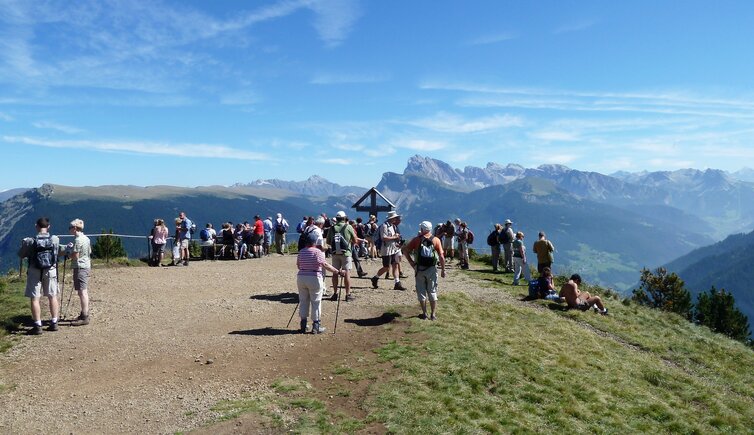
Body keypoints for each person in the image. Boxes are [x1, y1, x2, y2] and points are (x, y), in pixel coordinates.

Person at [297, 230, 347, 334]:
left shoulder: (301, 252)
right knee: (316, 301)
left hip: (301, 277)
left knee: (303, 301)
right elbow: (325, 265)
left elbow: (298, 265)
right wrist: (338, 272)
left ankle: (303, 324)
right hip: (314, 277)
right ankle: (316, 326)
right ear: (315, 242)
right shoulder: (317, 252)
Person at [17, 217, 60, 335]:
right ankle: (54, 322)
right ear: (49, 226)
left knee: (35, 298)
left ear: (36, 226)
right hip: (50, 270)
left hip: (34, 270)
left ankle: (37, 325)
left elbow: (21, 255)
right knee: (52, 296)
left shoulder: (30, 241)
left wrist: (24, 244)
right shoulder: (55, 239)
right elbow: (57, 252)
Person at [403, 221, 446, 320]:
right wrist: (443, 270)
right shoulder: (436, 240)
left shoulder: (416, 240)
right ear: (430, 229)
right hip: (432, 269)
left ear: (421, 229)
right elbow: (442, 257)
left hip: (419, 268)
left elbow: (405, 250)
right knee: (432, 290)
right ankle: (433, 314)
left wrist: (411, 263)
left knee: (421, 291)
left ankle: (424, 313)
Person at [327, 211, 360, 302]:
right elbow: (355, 240)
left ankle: (335, 293)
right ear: (344, 218)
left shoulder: (332, 228)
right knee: (347, 273)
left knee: (335, 273)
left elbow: (328, 241)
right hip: (346, 253)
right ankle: (347, 294)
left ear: (336, 218)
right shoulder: (348, 227)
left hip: (335, 253)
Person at [370, 211, 407, 290]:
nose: (396, 219)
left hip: (393, 248)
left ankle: (397, 283)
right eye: (395, 218)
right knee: (386, 267)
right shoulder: (384, 226)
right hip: (386, 249)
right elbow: (384, 238)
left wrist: (397, 241)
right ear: (392, 218)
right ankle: (375, 278)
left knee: (395, 264)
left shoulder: (393, 226)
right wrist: (395, 237)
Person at [66, 219, 92, 326]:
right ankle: (84, 313)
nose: (69, 229)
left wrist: (68, 254)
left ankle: (85, 316)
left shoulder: (77, 240)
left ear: (75, 228)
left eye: (70, 228)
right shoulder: (86, 238)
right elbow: (89, 251)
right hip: (86, 265)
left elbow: (75, 256)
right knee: (83, 291)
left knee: (82, 291)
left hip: (80, 267)